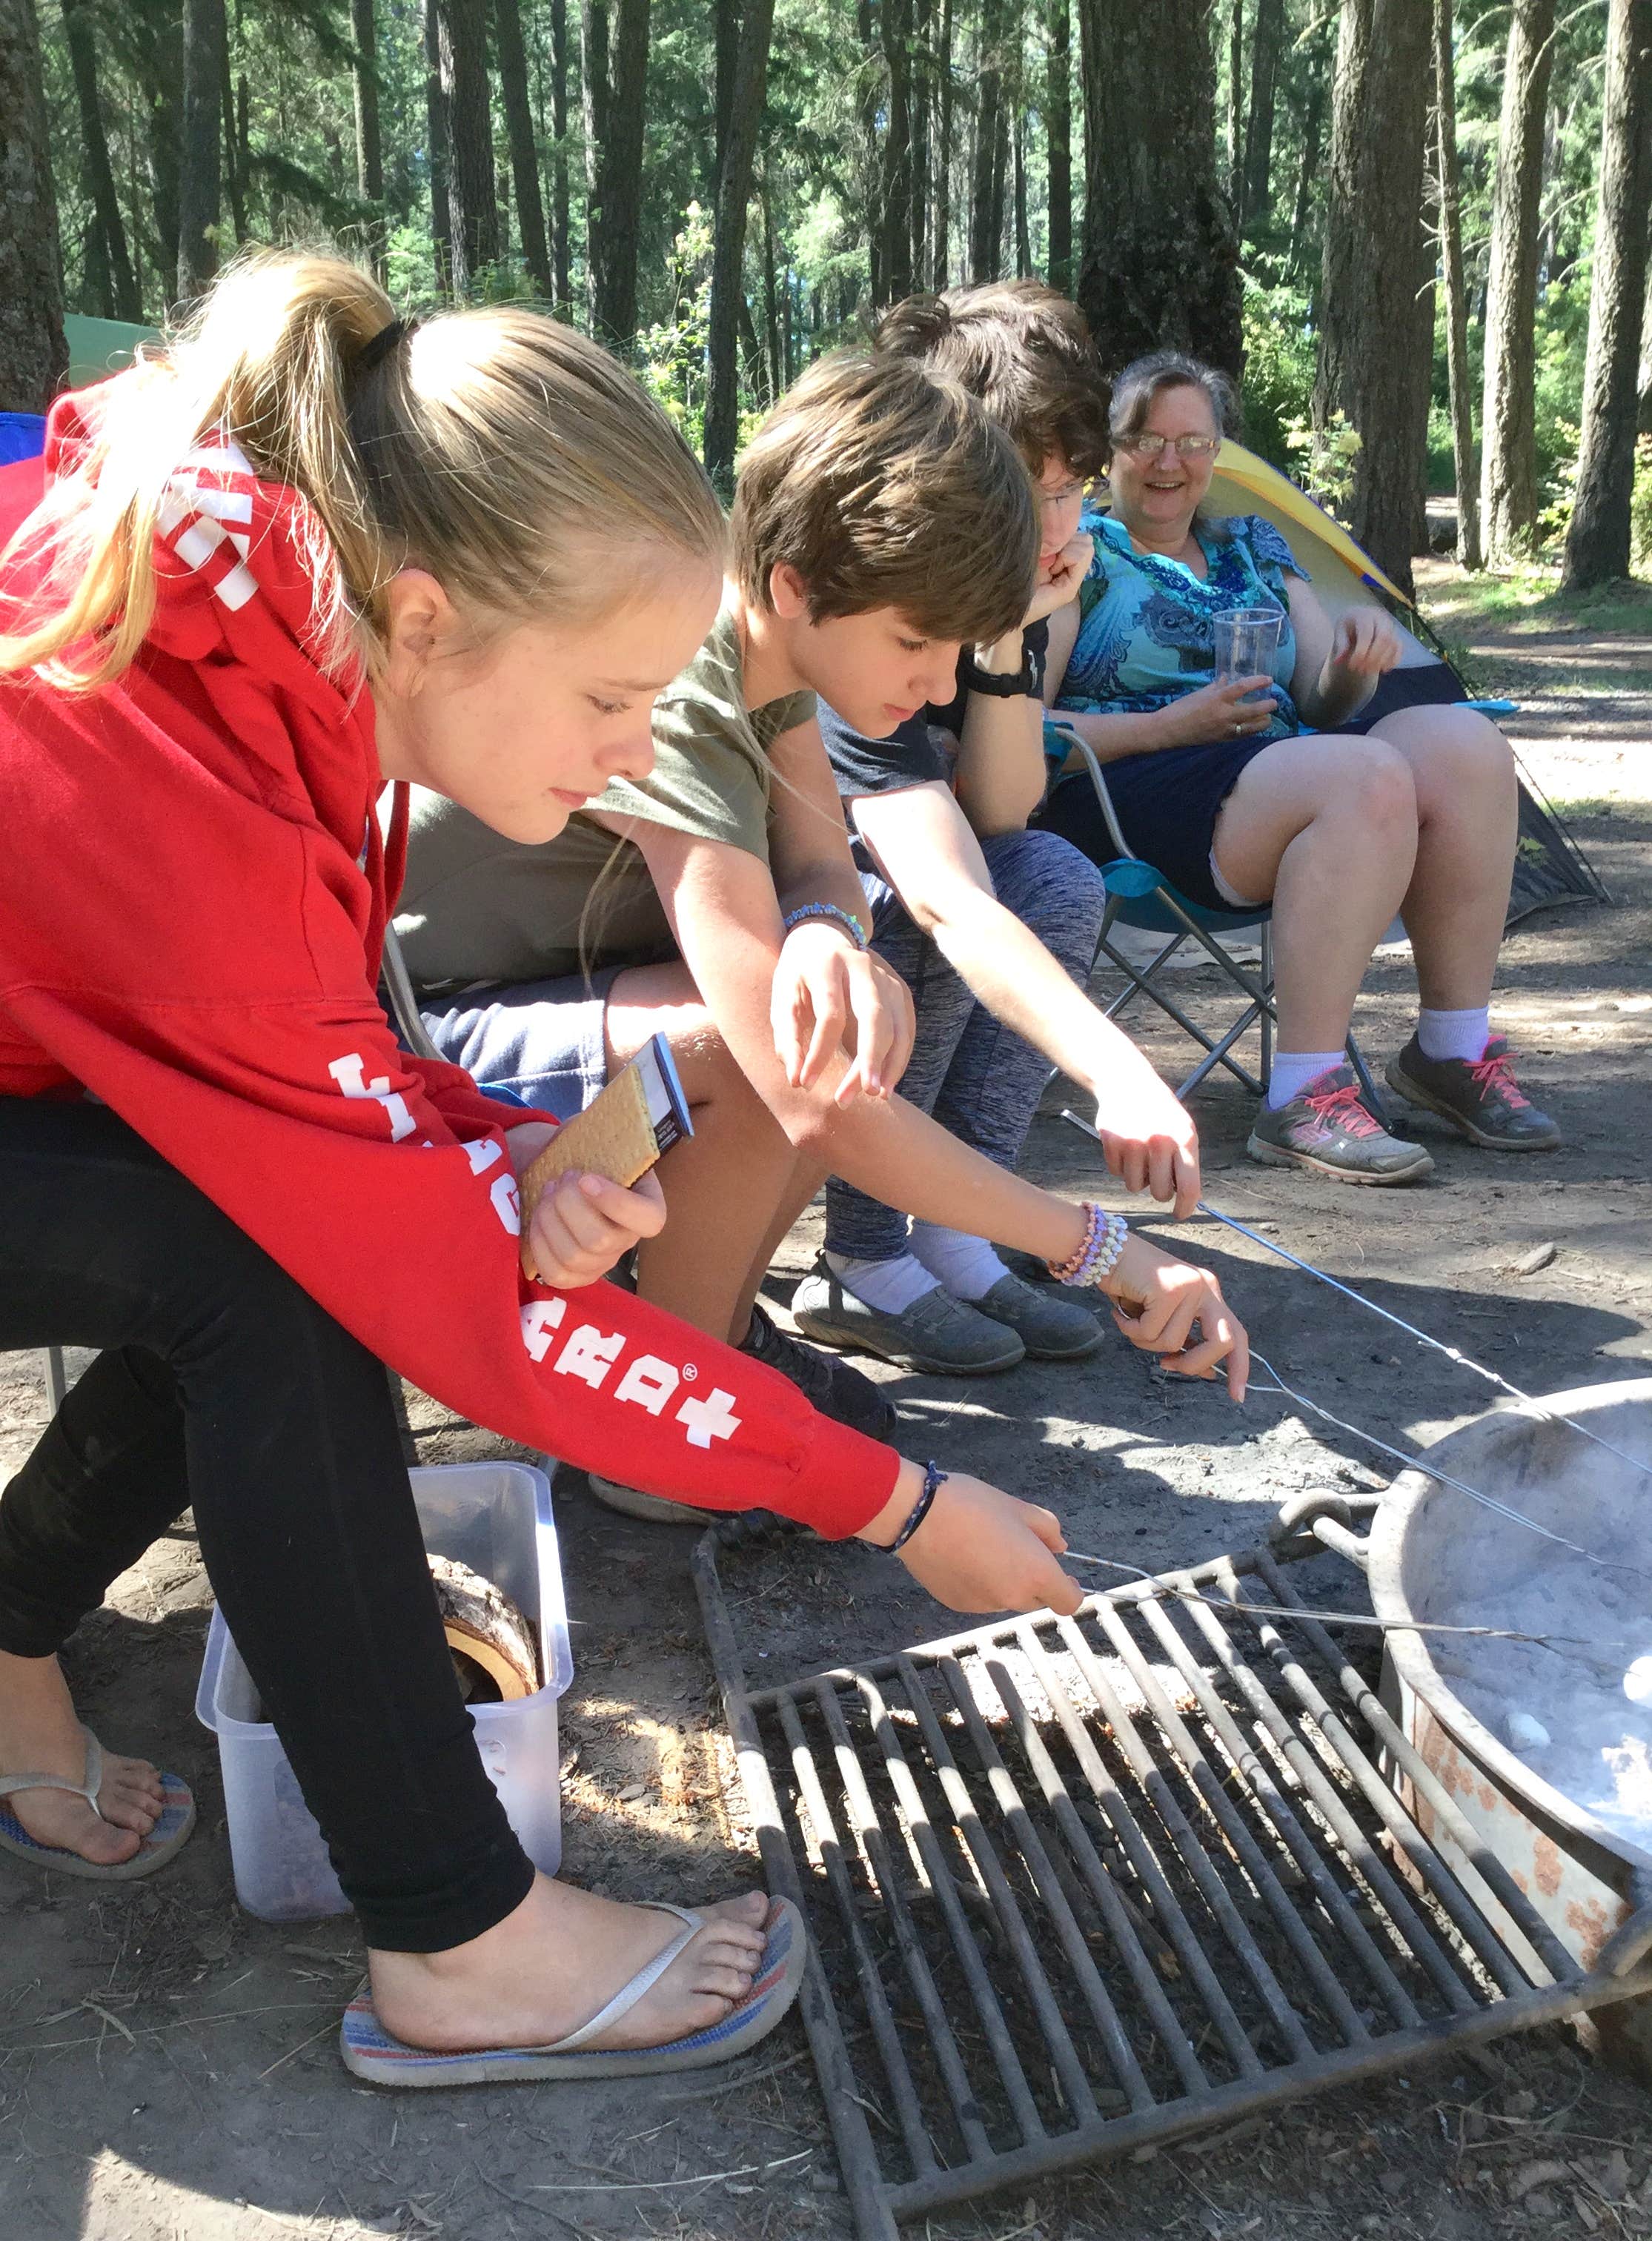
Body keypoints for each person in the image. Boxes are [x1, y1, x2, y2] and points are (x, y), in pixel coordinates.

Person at [0, 252, 1131, 2088]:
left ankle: (8, 1626)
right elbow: (475, 1327)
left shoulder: (280, 637)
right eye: (612, 700)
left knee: (267, 1239)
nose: (632, 760)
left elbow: (327, 1065)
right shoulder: (167, 744)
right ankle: (456, 1938)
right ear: (433, 616)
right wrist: (898, 1505)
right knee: (282, 1285)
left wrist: (505, 1150)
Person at [401, 351, 1246, 1525]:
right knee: (758, 1055)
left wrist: (824, 932)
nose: (939, 679)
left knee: (855, 1000)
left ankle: (721, 1343)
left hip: (567, 982)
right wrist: (1101, 1247)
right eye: (917, 644)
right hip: (434, 1037)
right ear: (796, 585)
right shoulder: (686, 679)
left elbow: (811, 861)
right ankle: (656, 1436)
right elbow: (802, 1101)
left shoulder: (781, 663)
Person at [1040, 349, 1559, 1186]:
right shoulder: (1080, 556)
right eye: (1146, 439)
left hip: (1279, 773)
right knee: (1363, 774)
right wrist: (1173, 727)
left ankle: (1450, 1051)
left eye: (1193, 442)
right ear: (1111, 450)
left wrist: (1359, 659)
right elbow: (1027, 722)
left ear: (1218, 453)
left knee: (1466, 746)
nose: (1170, 462)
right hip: (1127, 789)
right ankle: (1304, 1094)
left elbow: (1323, 704)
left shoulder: (1256, 545)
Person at [796, 282, 1187, 1374]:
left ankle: (959, 1233)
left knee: (1054, 873)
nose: (1059, 525)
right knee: (911, 909)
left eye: (1072, 490)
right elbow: (931, 875)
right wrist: (1115, 1070)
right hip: (814, 904)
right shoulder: (863, 595)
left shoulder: (1002, 598)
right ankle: (865, 1256)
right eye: (1031, 488)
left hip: (907, 858)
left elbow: (1001, 815)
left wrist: (1013, 636)